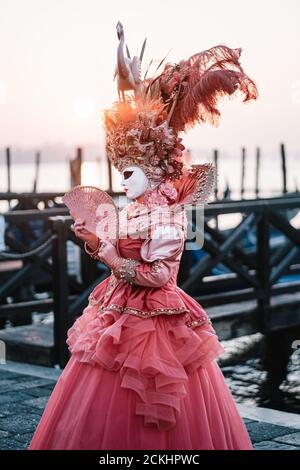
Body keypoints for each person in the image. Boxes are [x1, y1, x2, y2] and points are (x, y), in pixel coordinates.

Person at [28, 21, 258, 450]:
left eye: (129, 173)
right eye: (120, 173)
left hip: (155, 320)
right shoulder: (134, 209)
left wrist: (111, 257)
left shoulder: (167, 217)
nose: (123, 181)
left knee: (156, 405)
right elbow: (117, 248)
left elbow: (158, 277)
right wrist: (97, 242)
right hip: (116, 309)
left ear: (153, 172)